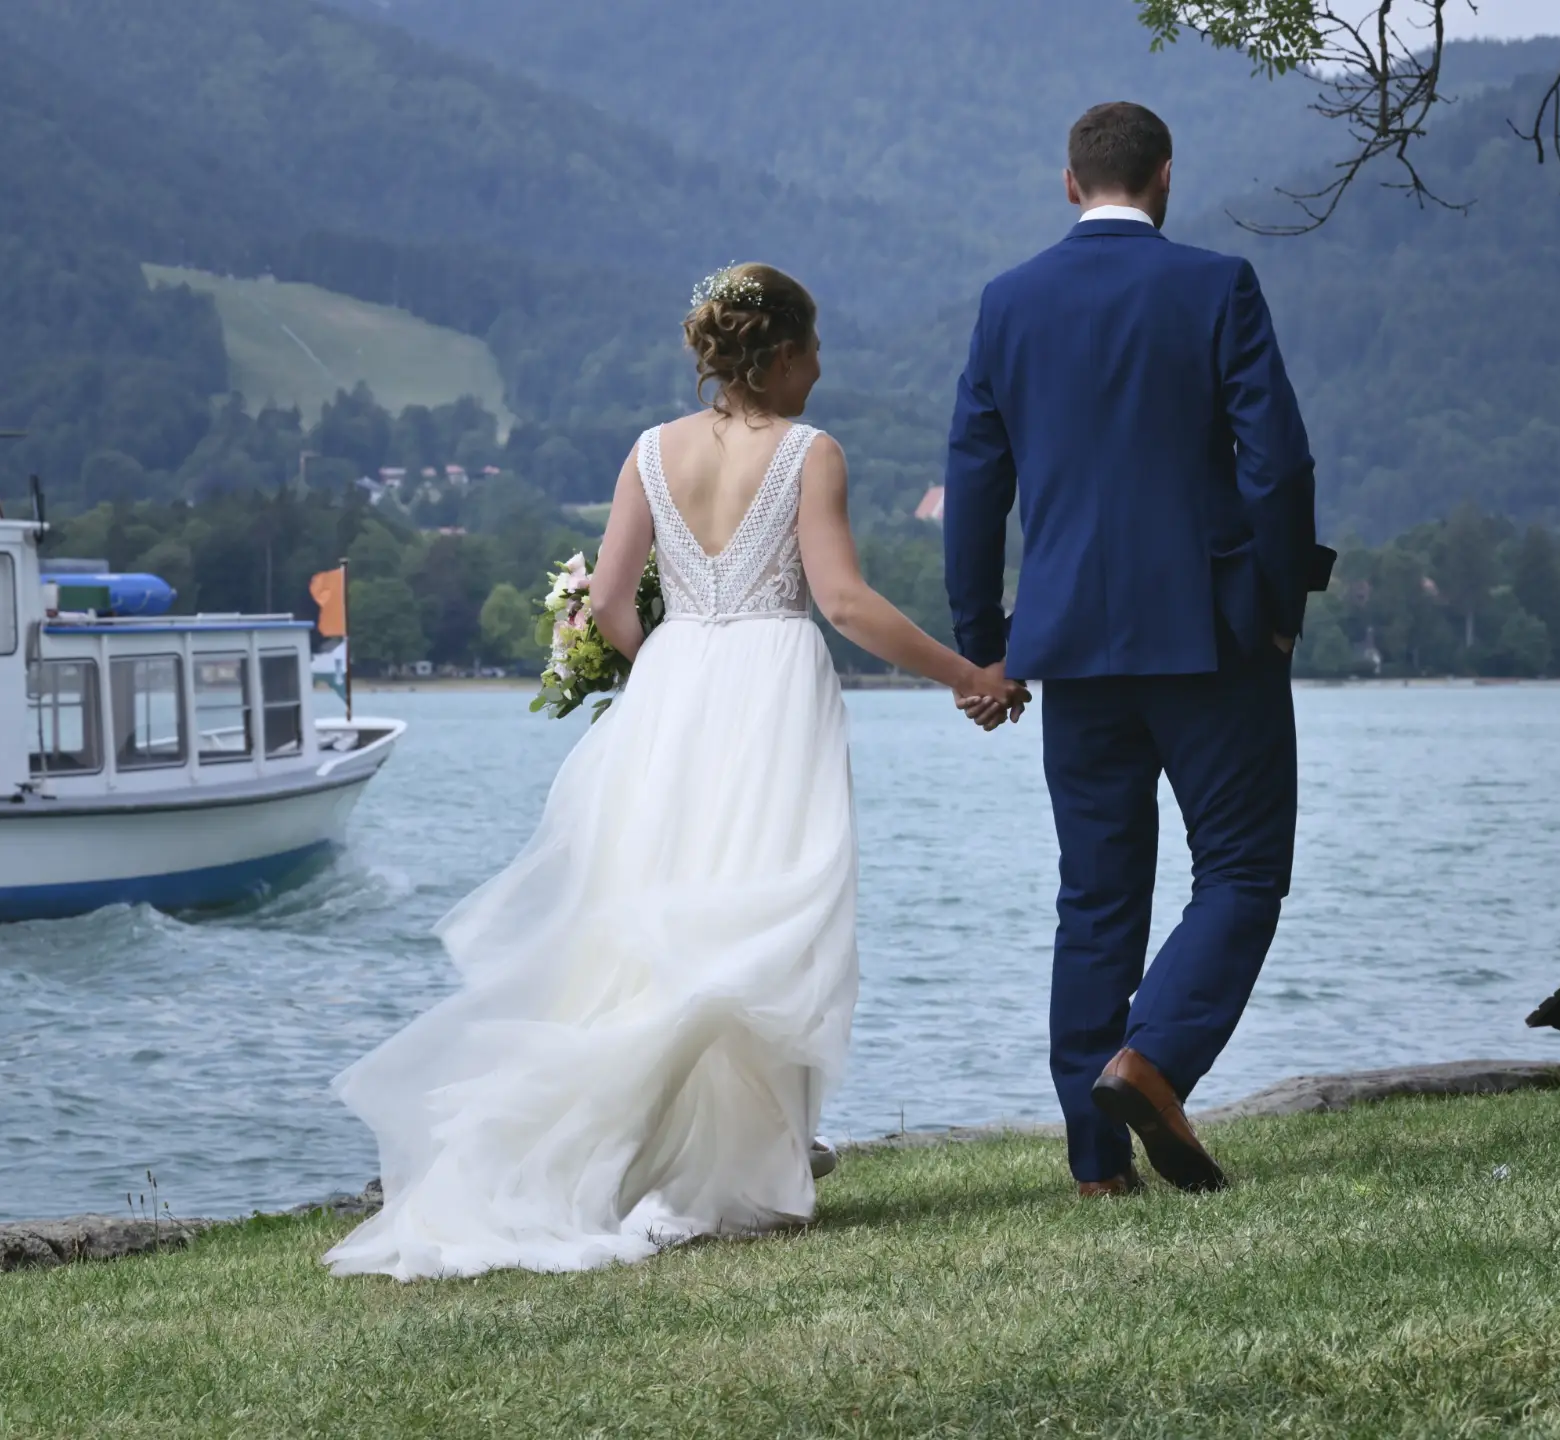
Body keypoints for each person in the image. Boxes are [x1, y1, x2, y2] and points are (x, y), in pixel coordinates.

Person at [326, 263, 1027, 1283]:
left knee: (661, 911)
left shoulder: (649, 453)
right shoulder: (808, 454)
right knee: (764, 910)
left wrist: (672, 662)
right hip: (770, 686)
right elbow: (842, 601)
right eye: (814, 350)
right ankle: (745, 1166)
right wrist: (967, 672)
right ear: (779, 352)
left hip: (675, 686)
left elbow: (612, 600)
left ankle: (702, 1163)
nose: (821, 369)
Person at [944, 102, 1333, 1198]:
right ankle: (1152, 1062)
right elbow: (1278, 467)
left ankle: (1093, 1162)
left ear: (1069, 184)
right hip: (1212, 637)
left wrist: (988, 643)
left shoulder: (1006, 303)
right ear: (1164, 177)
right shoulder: (1215, 287)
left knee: (1096, 896)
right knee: (1244, 869)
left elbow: (975, 484)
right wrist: (1275, 604)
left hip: (1066, 646)